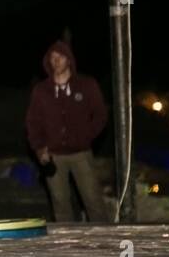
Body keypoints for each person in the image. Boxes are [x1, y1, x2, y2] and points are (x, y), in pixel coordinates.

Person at [24, 41, 111, 222]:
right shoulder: (41, 91)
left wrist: (86, 135)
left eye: (60, 57)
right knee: (60, 204)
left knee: (93, 201)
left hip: (81, 154)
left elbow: (101, 115)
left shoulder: (87, 85)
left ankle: (104, 241)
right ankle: (66, 245)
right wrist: (39, 148)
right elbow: (33, 122)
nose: (56, 61)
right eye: (52, 58)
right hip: (53, 156)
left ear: (69, 60)